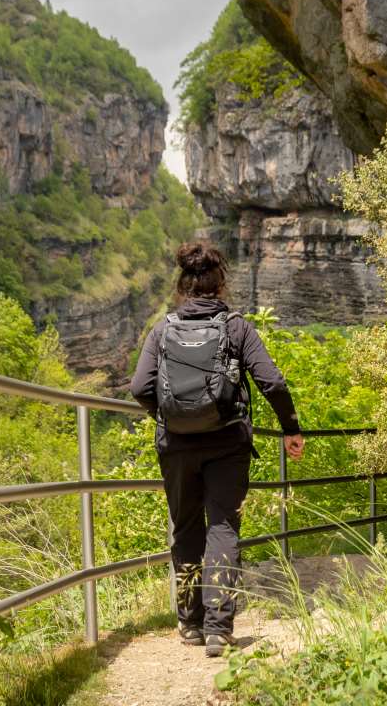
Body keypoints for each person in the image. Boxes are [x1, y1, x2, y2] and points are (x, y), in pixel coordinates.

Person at [131, 241, 304, 657]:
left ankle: (189, 623)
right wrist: (290, 428)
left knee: (185, 528)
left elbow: (139, 387)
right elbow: (272, 382)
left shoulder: (163, 328)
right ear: (220, 284)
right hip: (227, 443)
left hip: (176, 445)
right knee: (223, 528)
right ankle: (218, 629)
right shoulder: (237, 327)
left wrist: (168, 416)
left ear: (183, 286)